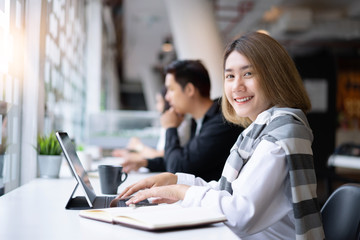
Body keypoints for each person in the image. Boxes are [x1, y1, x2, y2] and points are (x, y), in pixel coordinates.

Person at [115, 32, 325, 239]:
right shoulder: (260, 130)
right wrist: (176, 180)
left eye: (248, 74)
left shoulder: (278, 138)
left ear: (274, 76)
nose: (236, 86)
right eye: (230, 76)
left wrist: (181, 191)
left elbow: (239, 215)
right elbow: (230, 190)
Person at [120, 60, 243, 181]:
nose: (167, 97)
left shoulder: (221, 121)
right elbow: (184, 158)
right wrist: (145, 163)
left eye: (171, 89)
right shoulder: (198, 121)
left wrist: (170, 127)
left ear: (189, 90)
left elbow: (177, 168)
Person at [112, 86, 191, 163]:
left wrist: (138, 147)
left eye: (159, 102)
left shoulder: (180, 125)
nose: (157, 107)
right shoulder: (170, 125)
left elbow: (163, 155)